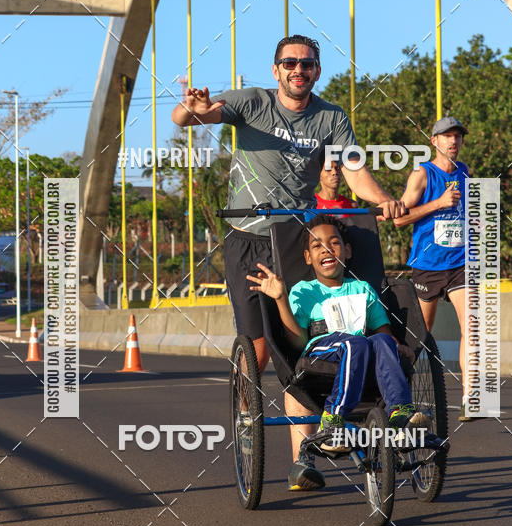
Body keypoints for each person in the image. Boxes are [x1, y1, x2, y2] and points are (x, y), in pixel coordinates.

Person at [172, 35, 406, 484]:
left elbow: (354, 169)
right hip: (248, 238)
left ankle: (304, 461)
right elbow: (187, 116)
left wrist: (385, 199)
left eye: (308, 64)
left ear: (317, 71)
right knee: (258, 351)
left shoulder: (331, 117)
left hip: (292, 237)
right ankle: (247, 411)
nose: (299, 70)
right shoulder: (253, 102)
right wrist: (193, 107)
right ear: (276, 69)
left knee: (297, 349)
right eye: (290, 63)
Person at [247, 215, 428, 490]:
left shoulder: (362, 289)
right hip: (321, 354)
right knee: (352, 343)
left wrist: (397, 346)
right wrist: (282, 298)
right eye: (318, 246)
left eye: (334, 243)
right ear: (308, 257)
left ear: (347, 251)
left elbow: (381, 330)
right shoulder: (304, 291)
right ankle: (333, 420)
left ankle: (400, 412)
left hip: (363, 353)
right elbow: (296, 342)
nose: (327, 249)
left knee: (380, 344)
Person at [394, 116, 471, 421]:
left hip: (461, 263)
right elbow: (400, 218)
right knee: (418, 337)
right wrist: (438, 203)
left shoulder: (465, 172)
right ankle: (402, 401)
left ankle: (471, 397)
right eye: (447, 136)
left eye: (458, 137)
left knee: (473, 328)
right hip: (428, 265)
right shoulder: (422, 174)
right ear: (434, 141)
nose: (453, 141)